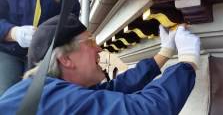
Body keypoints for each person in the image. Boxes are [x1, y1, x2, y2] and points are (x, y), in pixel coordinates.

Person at [0, 14, 200, 114]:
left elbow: (115, 89)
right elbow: (140, 111)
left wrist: (164, 53)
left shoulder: (46, 91)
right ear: (66, 59)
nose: (100, 49)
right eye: (90, 43)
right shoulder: (53, 98)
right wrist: (188, 61)